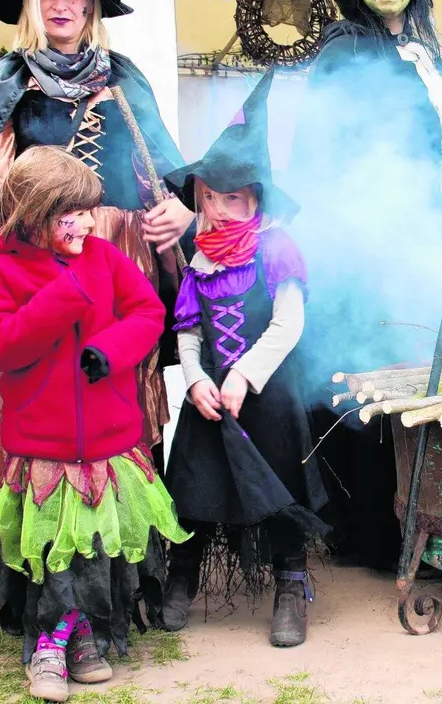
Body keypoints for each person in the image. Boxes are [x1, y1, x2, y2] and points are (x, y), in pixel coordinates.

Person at [0, 0, 195, 625]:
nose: (63, 7)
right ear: (31, 4)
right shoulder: (9, 78)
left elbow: (165, 171)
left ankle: (125, 572)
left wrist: (176, 211)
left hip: (113, 262)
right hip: (37, 260)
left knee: (114, 408)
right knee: (29, 404)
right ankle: (15, 576)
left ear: (95, 6)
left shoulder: (123, 77)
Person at [284, 0, 442, 574]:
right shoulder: (346, 49)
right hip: (365, 245)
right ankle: (364, 528)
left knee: (411, 370)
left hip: (423, 235)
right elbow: (327, 150)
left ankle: (412, 513)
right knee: (364, 381)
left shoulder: (421, 53)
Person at [0, 146, 191, 703]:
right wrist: (60, 297)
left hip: (108, 440)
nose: (88, 223)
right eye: (72, 213)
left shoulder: (103, 256)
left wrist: (109, 350)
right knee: (51, 551)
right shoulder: (0, 265)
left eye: (89, 211)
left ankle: (81, 633)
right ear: (33, 210)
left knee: (93, 548)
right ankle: (50, 643)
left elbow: (147, 313)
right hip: (42, 447)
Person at [158, 72, 329, 647]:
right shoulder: (198, 261)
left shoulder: (277, 247)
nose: (220, 208)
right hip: (211, 399)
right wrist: (200, 381)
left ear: (254, 199)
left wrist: (243, 376)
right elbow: (186, 335)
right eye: (209, 197)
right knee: (193, 482)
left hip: (269, 396)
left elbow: (288, 325)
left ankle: (290, 584)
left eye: (232, 198)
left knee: (280, 484)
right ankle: (181, 578)